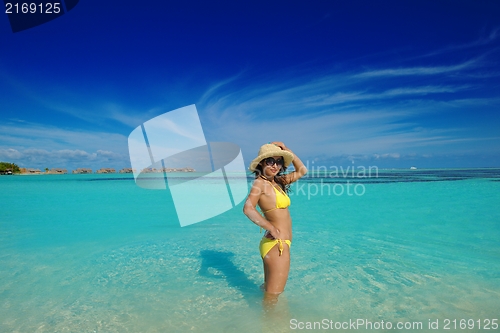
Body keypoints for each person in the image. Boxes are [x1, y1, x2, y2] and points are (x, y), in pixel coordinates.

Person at [243, 141, 307, 302]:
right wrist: (270, 227)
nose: (275, 165)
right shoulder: (260, 183)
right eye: (270, 161)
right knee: (273, 296)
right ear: (262, 163)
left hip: (279, 244)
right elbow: (248, 208)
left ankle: (259, 322)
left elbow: (302, 170)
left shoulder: (278, 183)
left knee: (268, 291)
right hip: (276, 245)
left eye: (279, 161)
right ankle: (273, 326)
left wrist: (287, 150)